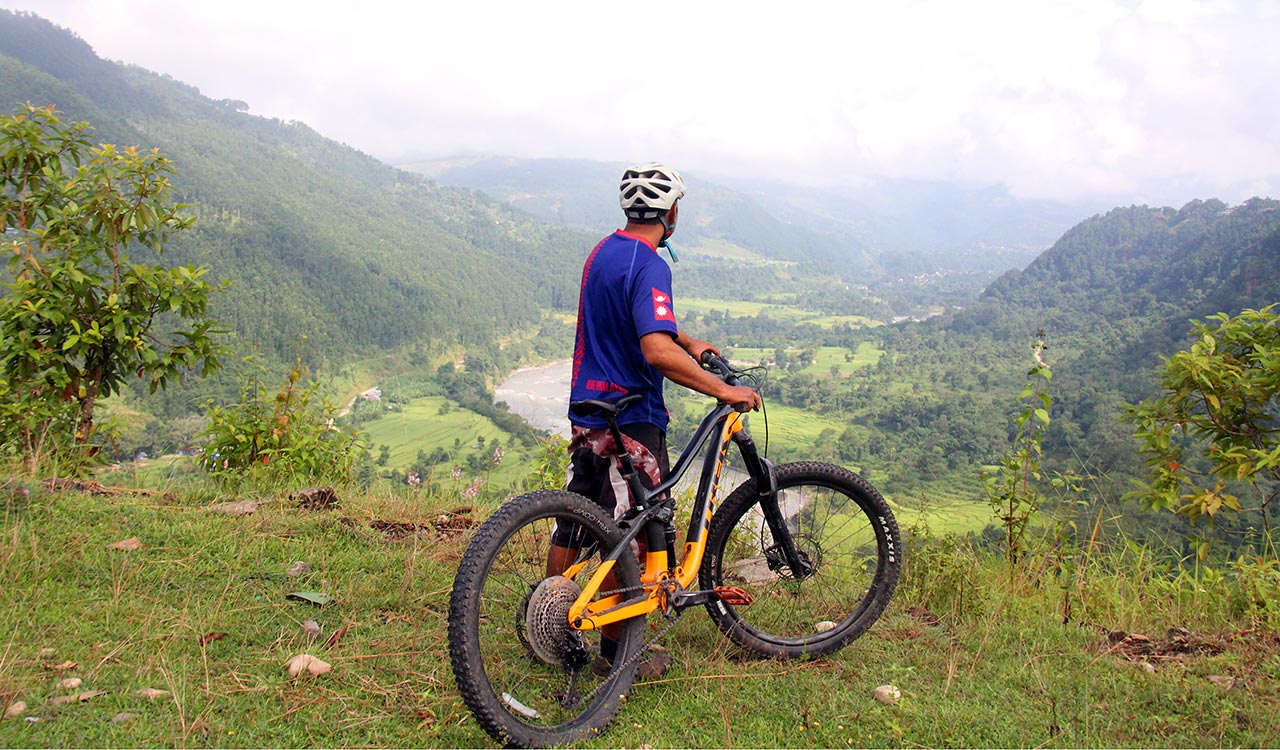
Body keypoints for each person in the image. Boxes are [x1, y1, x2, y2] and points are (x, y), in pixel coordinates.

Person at [547, 162, 760, 674]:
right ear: (673, 212)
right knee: (640, 533)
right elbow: (655, 352)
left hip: (589, 409)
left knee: (576, 519)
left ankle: (549, 620)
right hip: (632, 417)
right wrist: (723, 388)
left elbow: (633, 318)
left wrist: (686, 339)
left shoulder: (604, 252)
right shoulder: (651, 262)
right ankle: (617, 655)